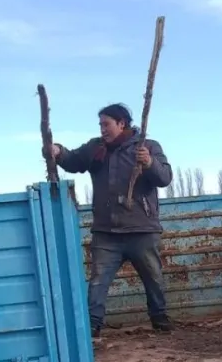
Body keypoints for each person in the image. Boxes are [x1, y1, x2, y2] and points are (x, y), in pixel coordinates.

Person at [49, 103, 174, 338]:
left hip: (141, 229)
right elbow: (73, 160)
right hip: (107, 232)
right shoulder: (96, 148)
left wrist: (149, 163)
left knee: (154, 279)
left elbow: (165, 178)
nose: (102, 129)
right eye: (100, 125)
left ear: (121, 123)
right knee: (98, 281)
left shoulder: (147, 147)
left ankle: (160, 319)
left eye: (106, 124)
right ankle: (93, 326)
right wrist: (57, 151)